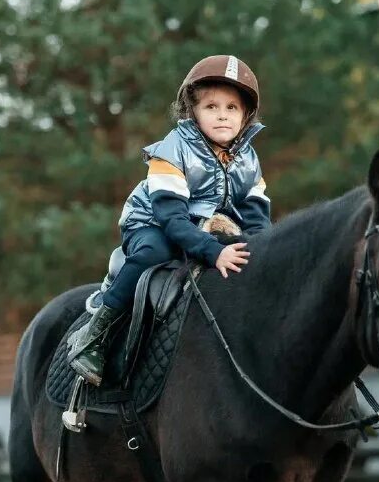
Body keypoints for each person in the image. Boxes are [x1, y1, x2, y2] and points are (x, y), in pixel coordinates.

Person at [69, 55, 271, 386]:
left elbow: (257, 219)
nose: (222, 114)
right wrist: (213, 251)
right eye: (211, 106)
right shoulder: (173, 148)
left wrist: (264, 254)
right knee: (154, 252)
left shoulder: (248, 158)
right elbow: (172, 219)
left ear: (245, 115)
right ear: (192, 111)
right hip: (154, 221)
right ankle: (94, 336)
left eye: (232, 108)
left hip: (207, 226)